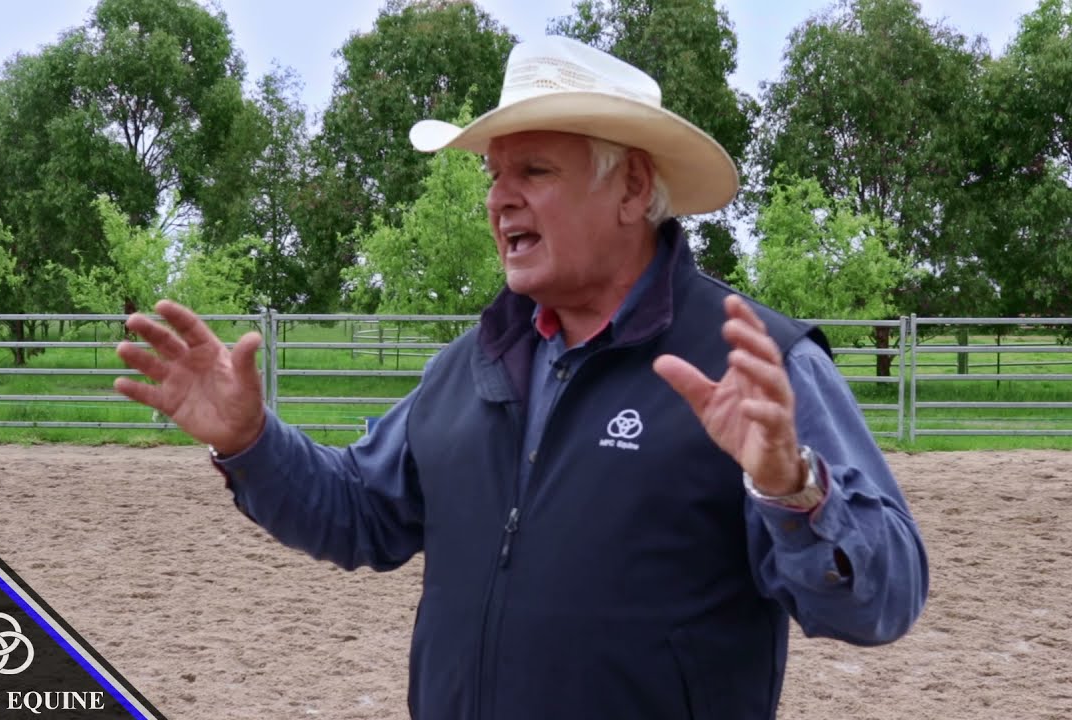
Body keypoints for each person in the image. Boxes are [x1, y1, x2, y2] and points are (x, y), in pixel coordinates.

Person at [116, 35, 927, 720]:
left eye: (533, 171)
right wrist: (251, 441)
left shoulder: (755, 364)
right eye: (493, 177)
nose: (500, 200)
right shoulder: (470, 366)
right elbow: (358, 512)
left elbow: (883, 599)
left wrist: (791, 489)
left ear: (633, 188)